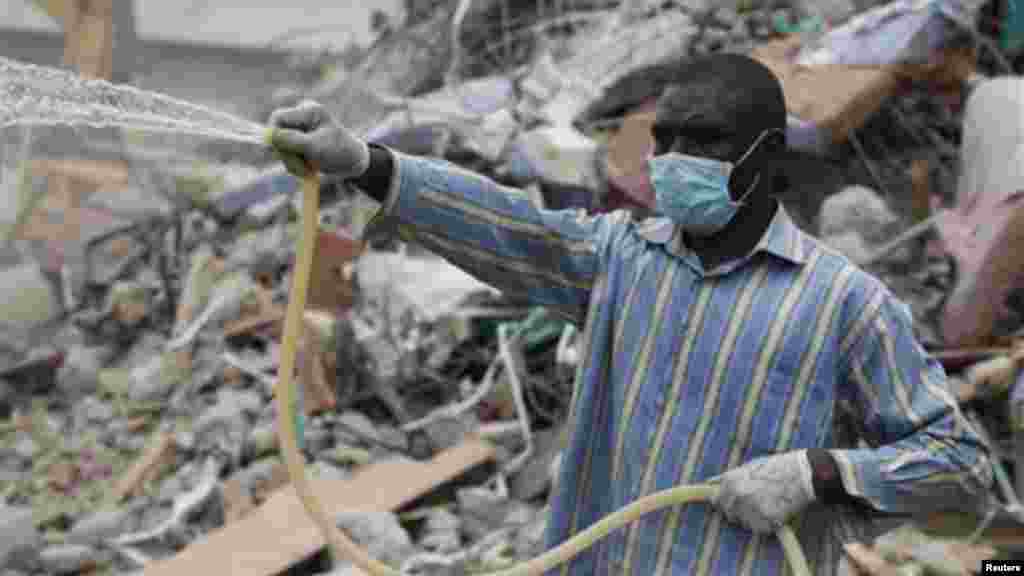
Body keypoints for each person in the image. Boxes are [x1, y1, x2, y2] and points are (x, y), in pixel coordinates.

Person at [268, 54, 993, 576]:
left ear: (765, 157)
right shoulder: (620, 258)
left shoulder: (844, 305)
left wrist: (819, 472)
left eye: (701, 140)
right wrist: (362, 161)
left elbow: (960, 465)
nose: (673, 159)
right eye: (664, 140)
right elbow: (506, 226)